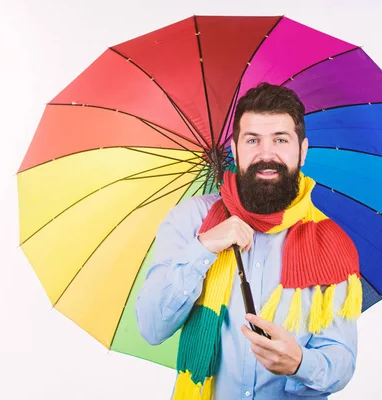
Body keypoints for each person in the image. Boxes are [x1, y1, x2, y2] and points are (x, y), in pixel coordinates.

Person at [135, 82, 362, 399]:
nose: (266, 154)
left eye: (280, 140)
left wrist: (300, 362)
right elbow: (151, 326)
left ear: (303, 149)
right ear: (236, 148)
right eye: (253, 140)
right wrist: (202, 249)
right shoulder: (188, 221)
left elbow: (342, 361)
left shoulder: (330, 243)